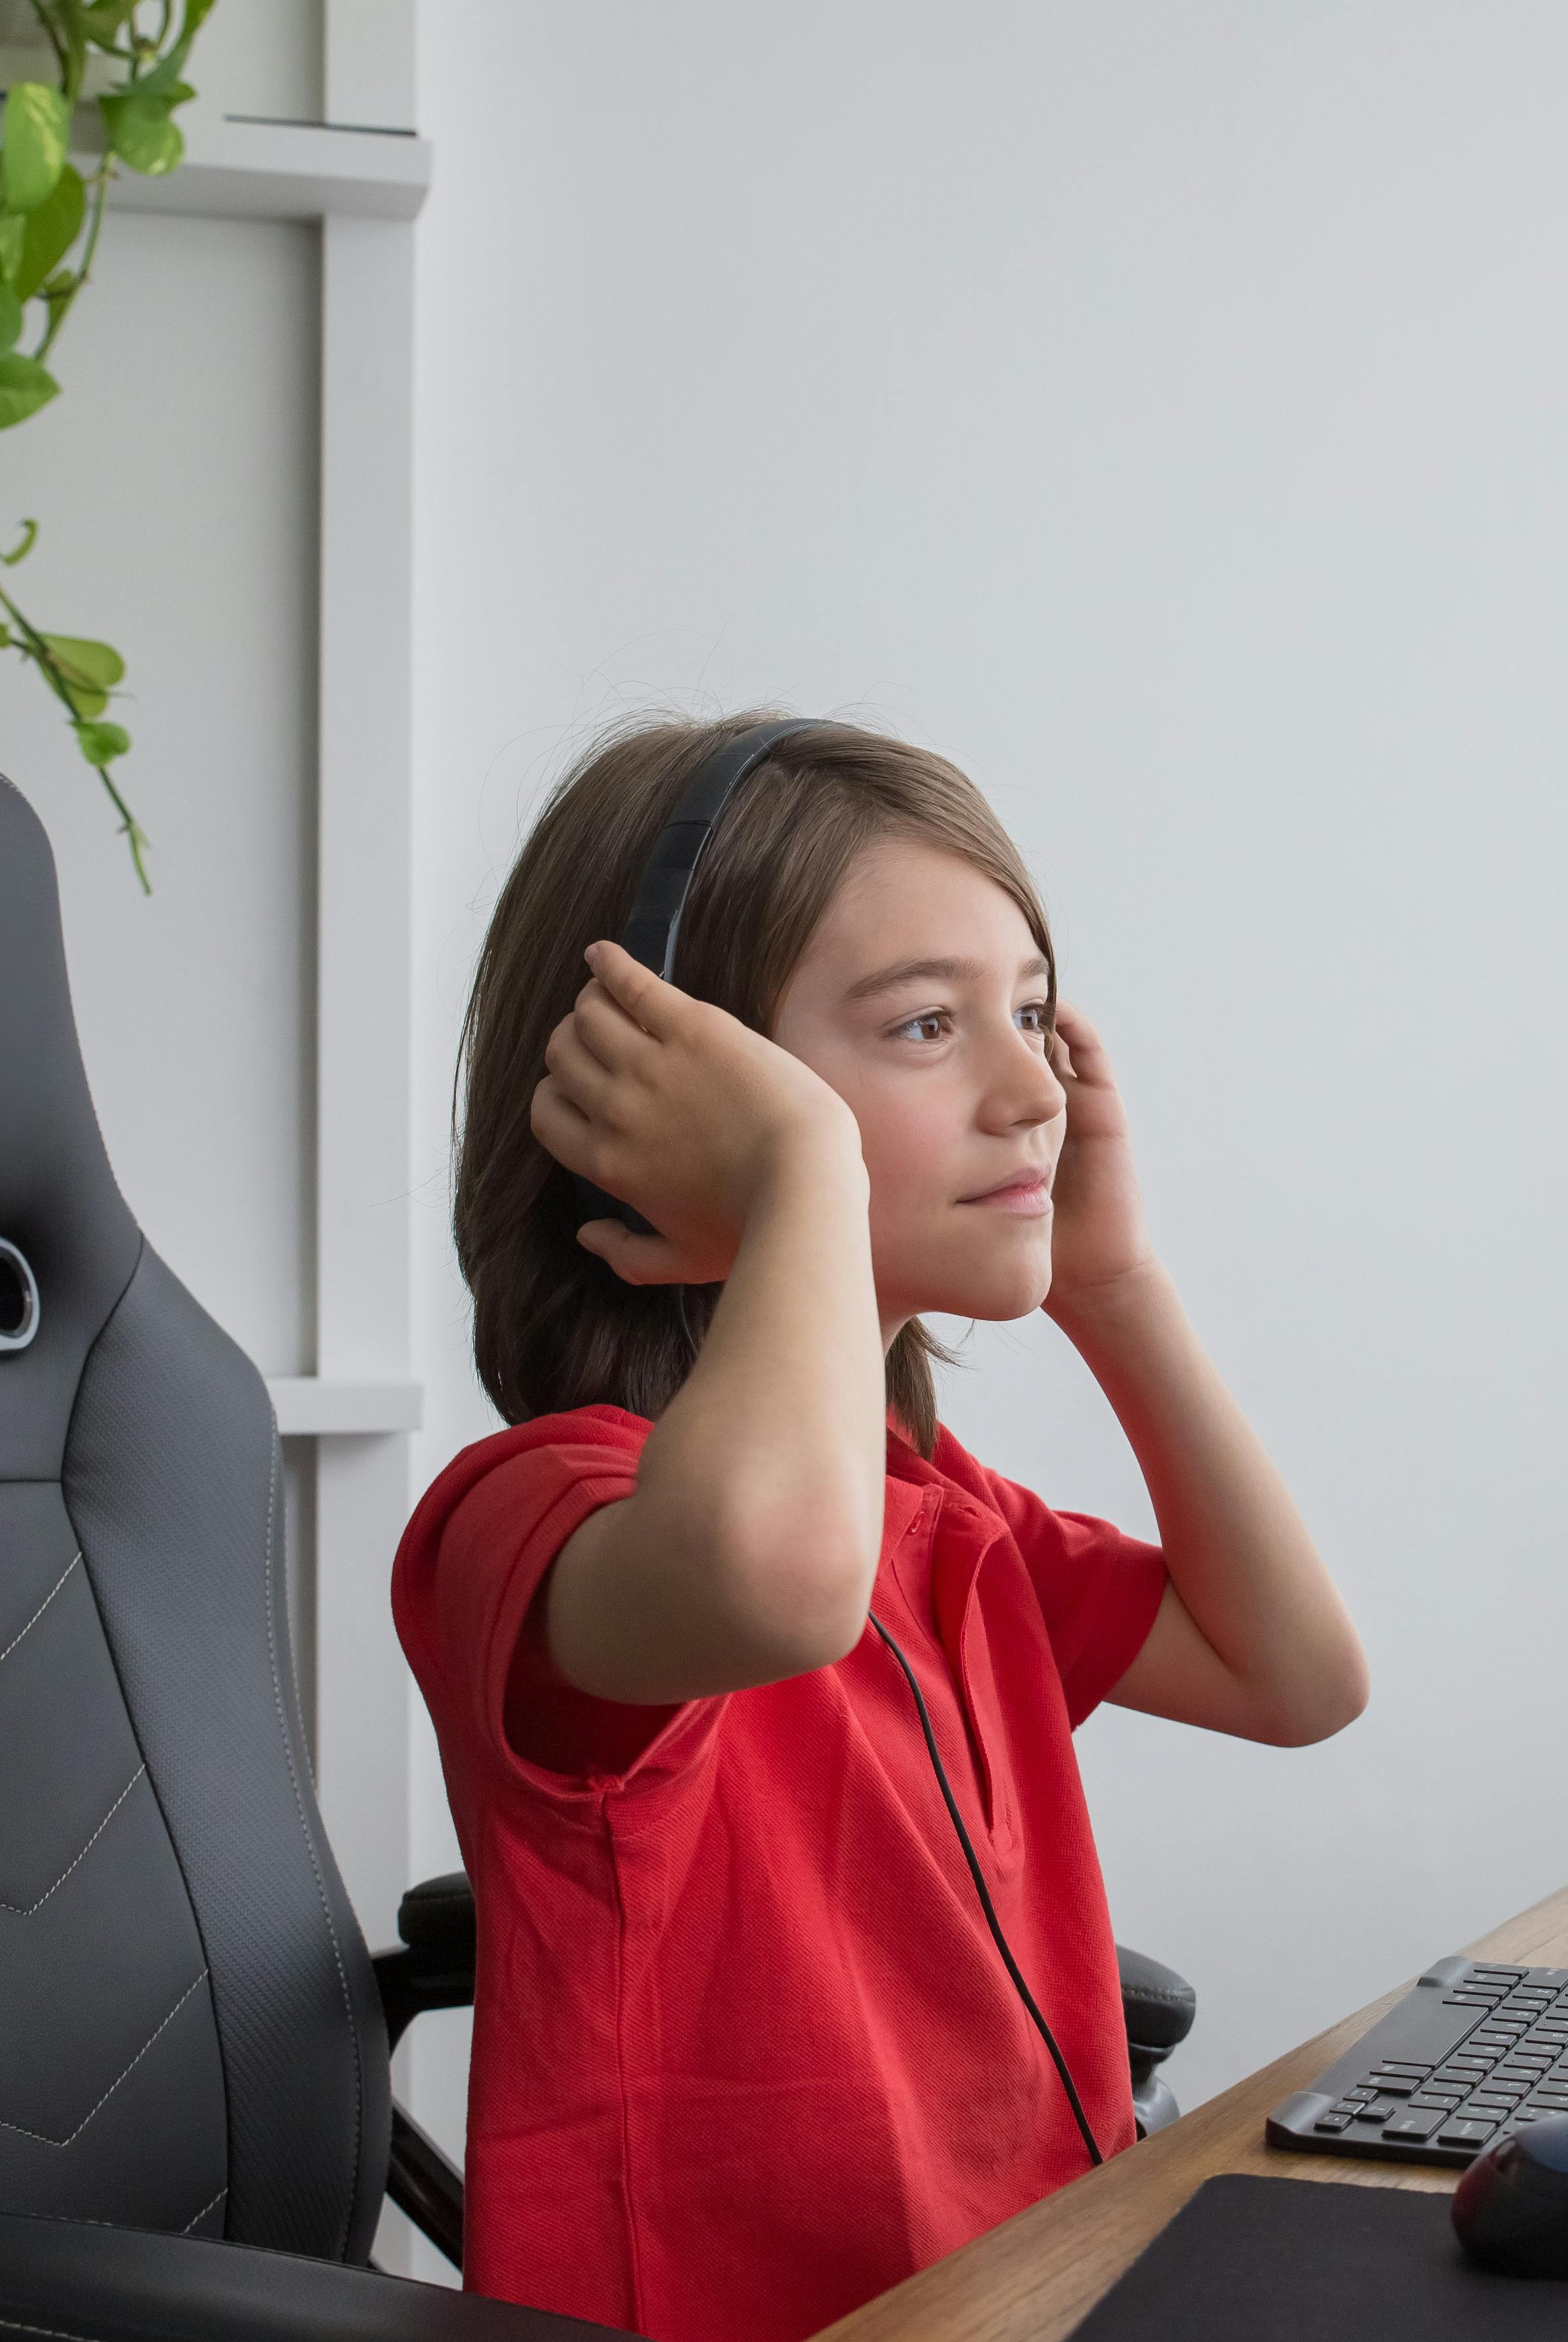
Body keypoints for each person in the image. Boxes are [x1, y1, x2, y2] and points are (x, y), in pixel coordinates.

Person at [396, 714, 1369, 2341]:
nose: (1030, 1088)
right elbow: (778, 1585)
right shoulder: (543, 1516)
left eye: (1037, 1015)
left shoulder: (940, 1512)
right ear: (664, 1089)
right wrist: (798, 1177)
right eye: (927, 1024)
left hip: (1038, 2295)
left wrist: (1114, 1291)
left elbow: (1297, 1677)